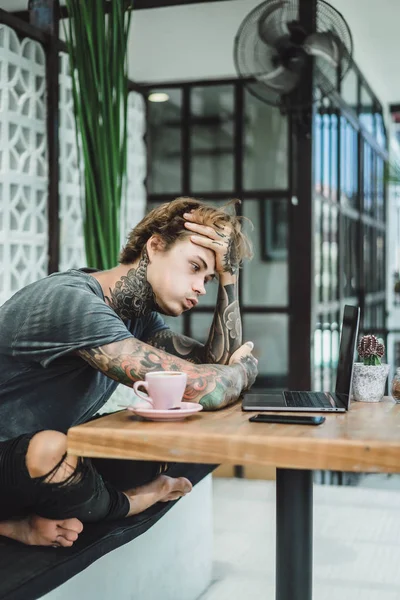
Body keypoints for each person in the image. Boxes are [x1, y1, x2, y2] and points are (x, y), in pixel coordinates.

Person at [0, 197, 258, 547]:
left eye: (209, 279)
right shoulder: (74, 302)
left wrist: (230, 276)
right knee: (52, 452)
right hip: (22, 455)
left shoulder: (136, 315)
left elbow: (215, 362)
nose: (201, 287)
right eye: (195, 267)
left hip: (26, 463)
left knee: (142, 452)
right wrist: (242, 373)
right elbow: (206, 387)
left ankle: (59, 507)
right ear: (154, 246)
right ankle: (134, 500)